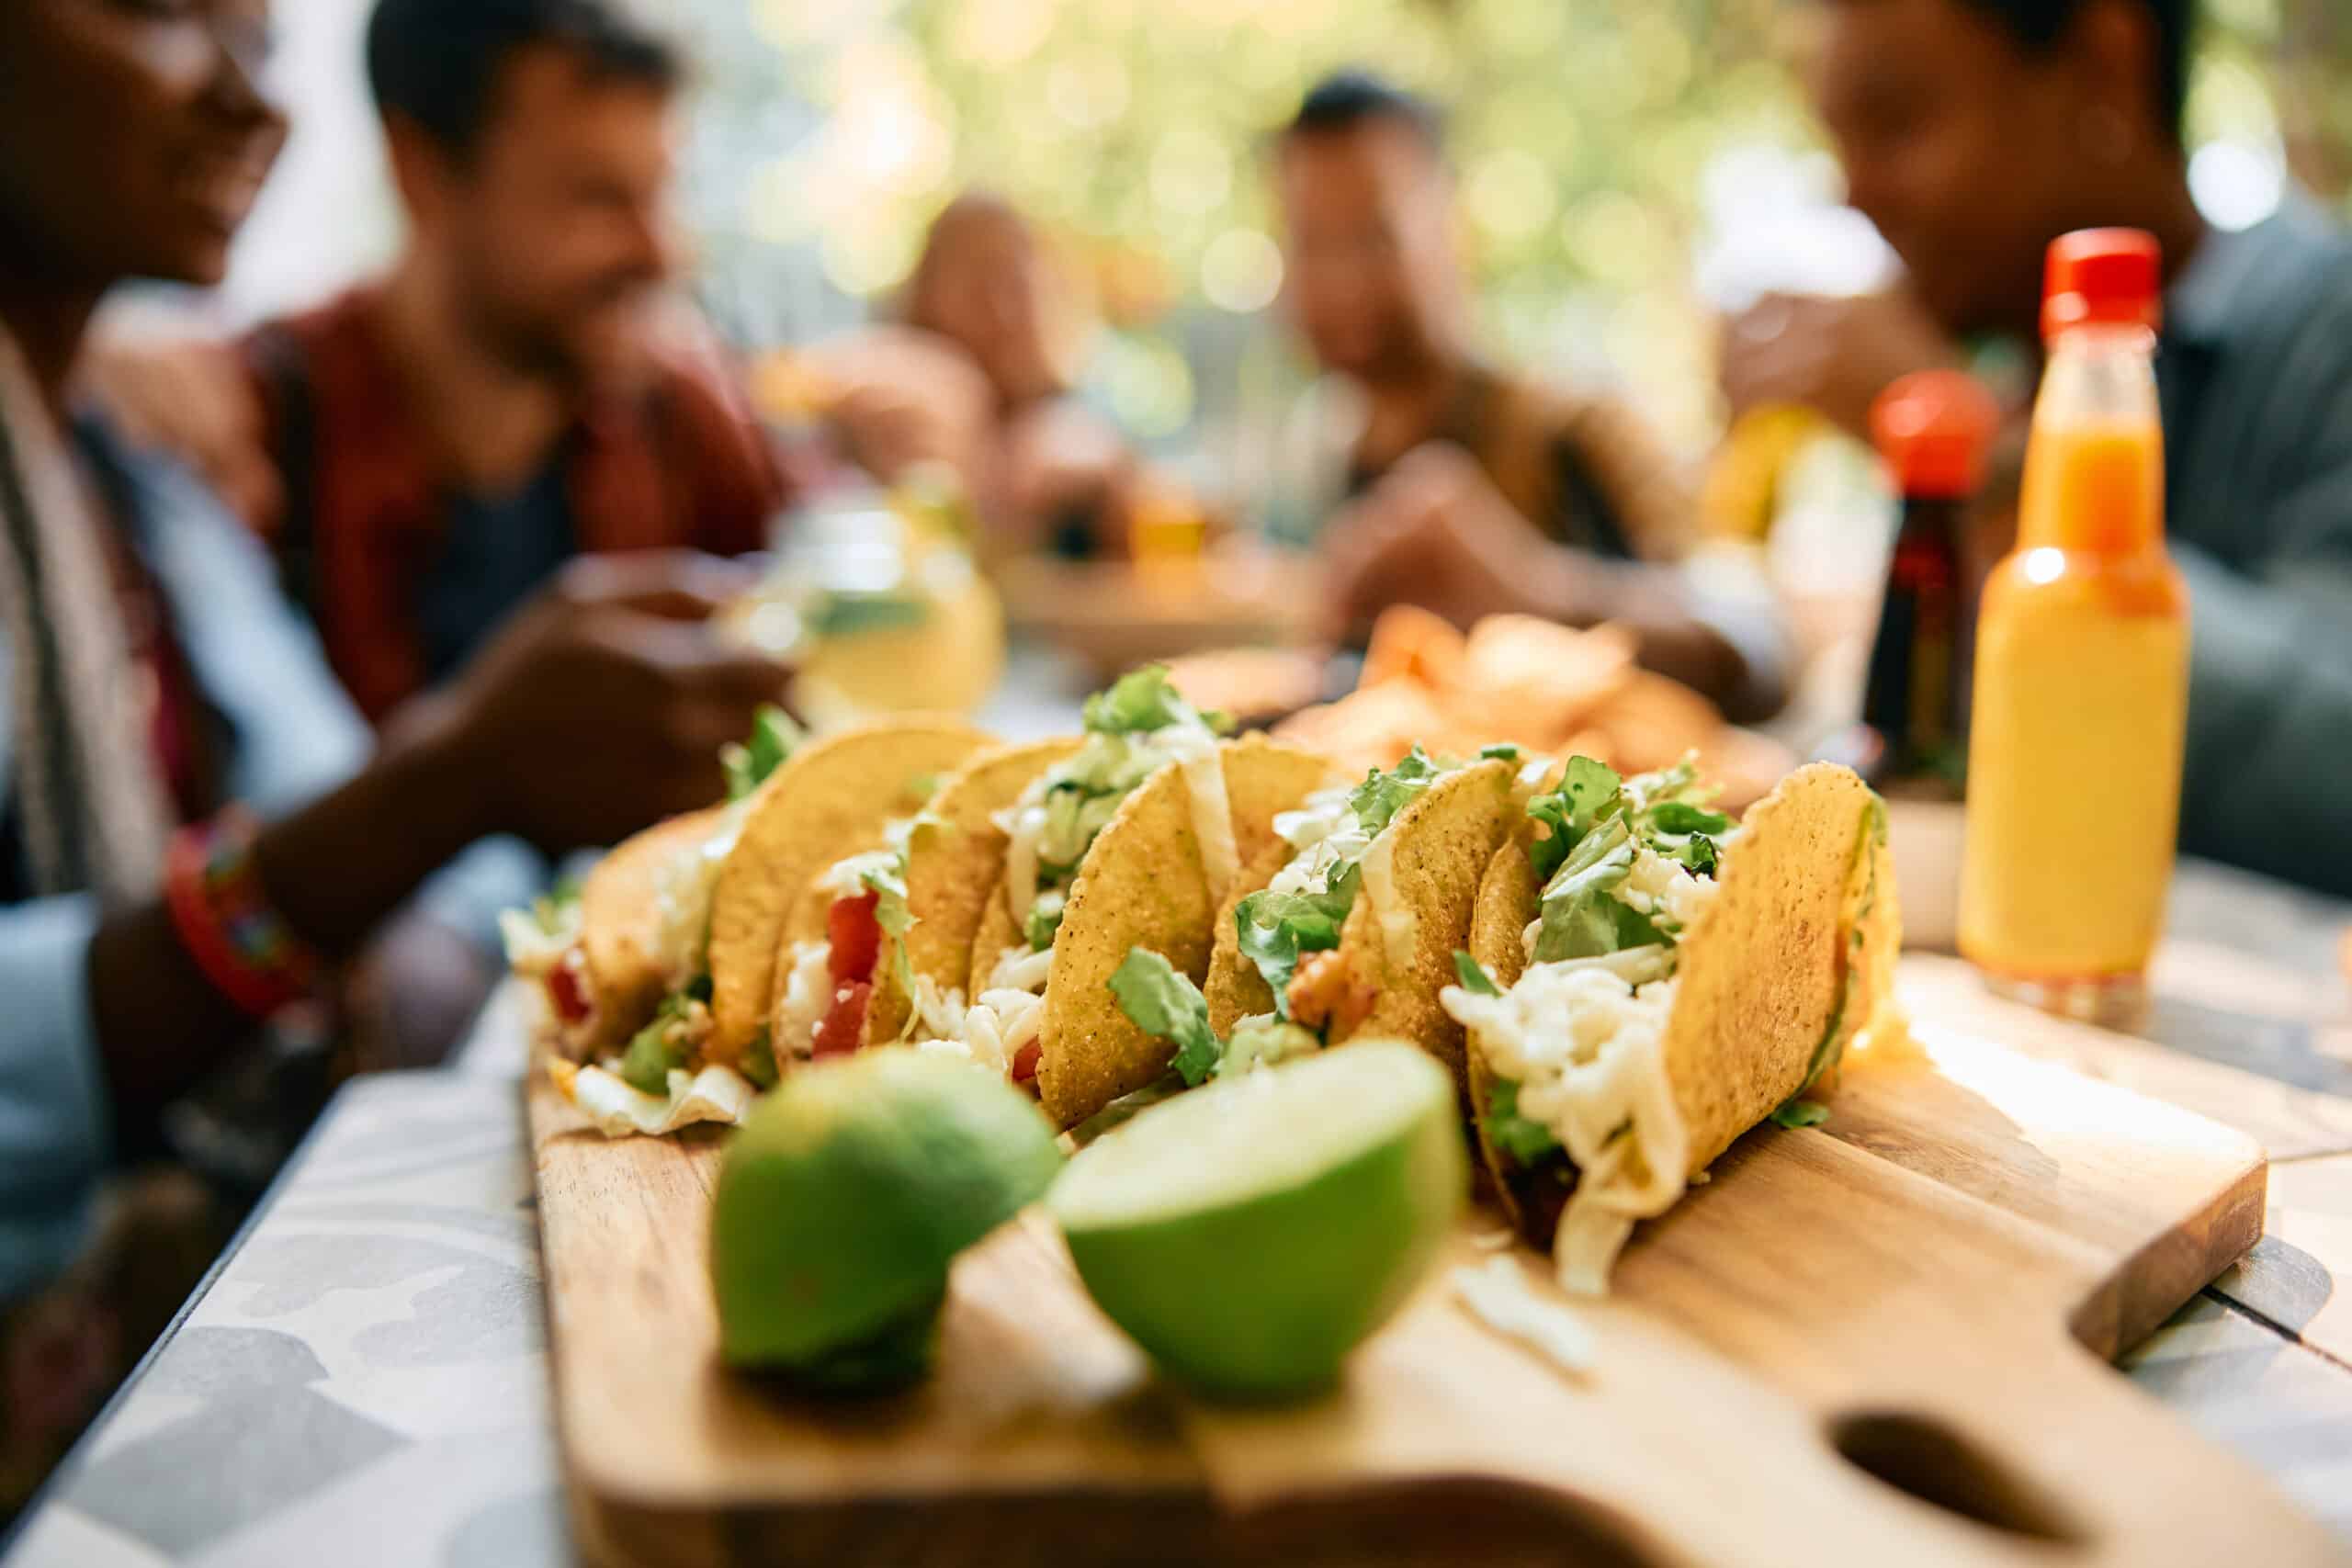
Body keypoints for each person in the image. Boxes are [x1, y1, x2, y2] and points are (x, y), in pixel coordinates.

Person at [0, 0, 789, 1488]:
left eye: (259, 37)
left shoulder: (133, 478)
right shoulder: (244, 424)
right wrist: (463, 771)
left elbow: (350, 819)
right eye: (161, 10)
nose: (253, 103)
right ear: (430, 176)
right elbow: (370, 824)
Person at [1723, 0, 2352, 895]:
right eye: (1837, 139)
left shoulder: (2326, 334)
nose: (1852, 192)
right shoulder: (2012, 366)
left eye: (1898, 120)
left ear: (2102, 66)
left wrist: (1987, 469)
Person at [82, 0, 786, 725]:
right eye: (595, 198)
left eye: (662, 193)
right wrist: (95, 356)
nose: (661, 250)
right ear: (419, 170)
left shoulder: (683, 418)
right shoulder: (254, 426)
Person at [1283, 72, 1791, 722]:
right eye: (1311, 243)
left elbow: (1760, 642)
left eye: (1372, 235)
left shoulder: (1575, 432)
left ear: (1452, 228)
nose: (1340, 281)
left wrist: (1533, 590)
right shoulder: (1321, 467)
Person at [816, 192, 1139, 558]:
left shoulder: (1067, 417)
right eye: (978, 284)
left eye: (1016, 283)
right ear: (926, 292)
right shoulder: (884, 389)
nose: (1002, 310)